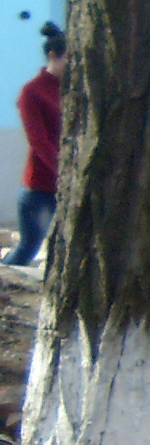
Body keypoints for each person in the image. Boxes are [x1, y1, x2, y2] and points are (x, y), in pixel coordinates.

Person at [8, 22, 62, 266]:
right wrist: (62, 172)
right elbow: (39, 141)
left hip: (68, 185)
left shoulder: (75, 89)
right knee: (29, 247)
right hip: (40, 187)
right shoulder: (32, 92)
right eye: (69, 59)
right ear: (53, 56)